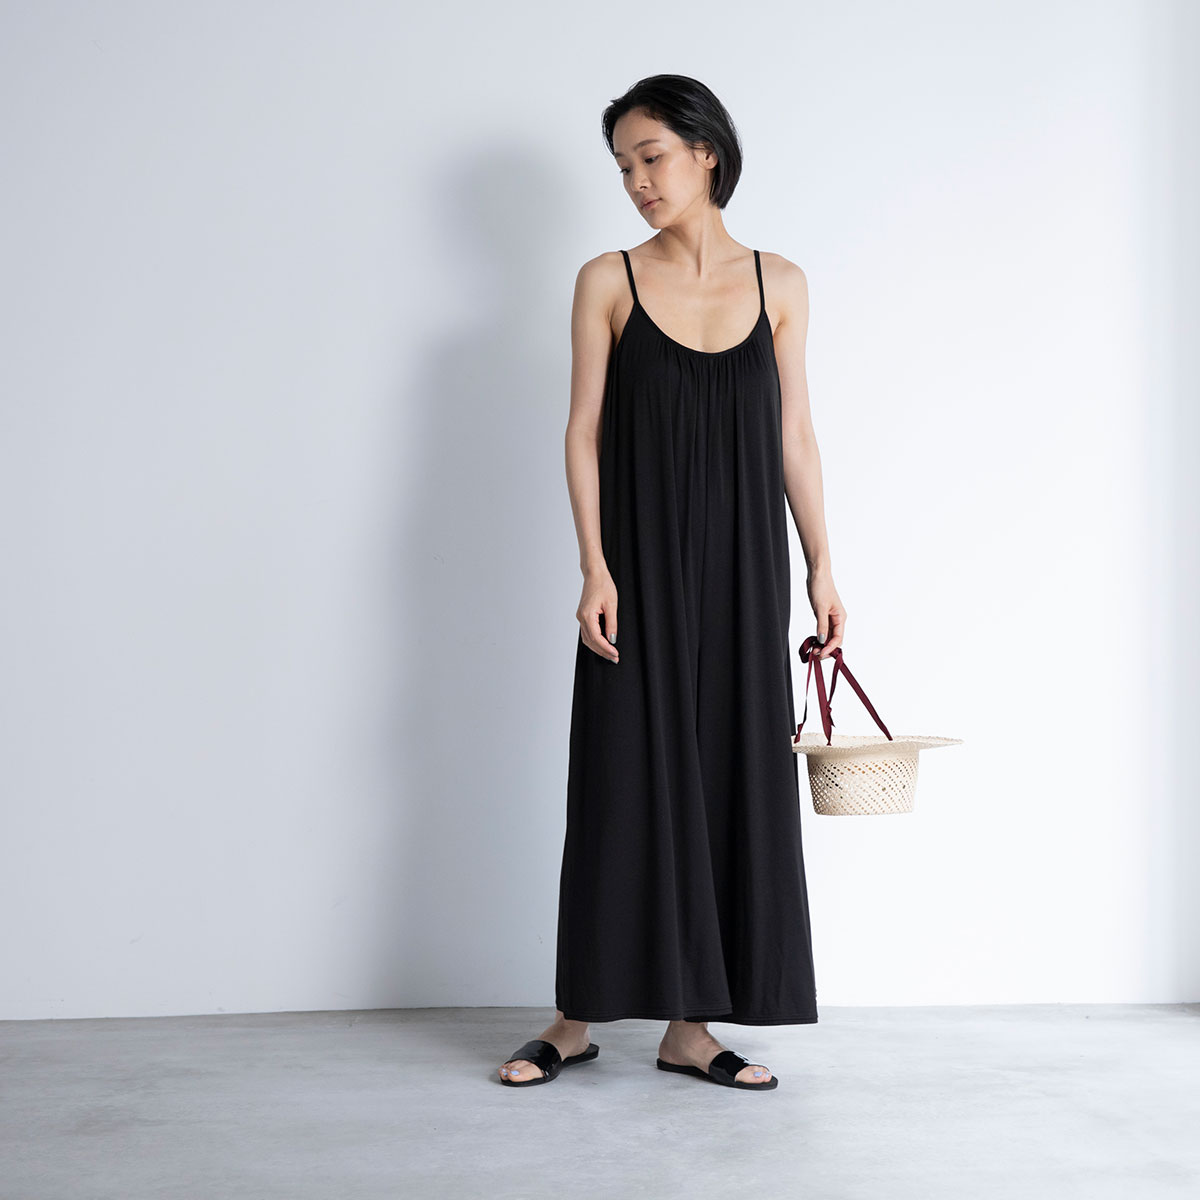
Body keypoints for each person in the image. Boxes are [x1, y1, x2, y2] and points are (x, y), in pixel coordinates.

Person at [498, 75, 845, 1092]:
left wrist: (824, 565)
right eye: (622, 167)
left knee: (729, 771)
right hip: (638, 567)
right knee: (622, 779)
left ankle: (690, 1028)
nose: (636, 181)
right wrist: (594, 565)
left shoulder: (781, 284)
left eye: (650, 157)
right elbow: (583, 431)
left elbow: (794, 437)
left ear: (706, 152)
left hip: (745, 567)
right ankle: (574, 1020)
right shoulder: (607, 280)